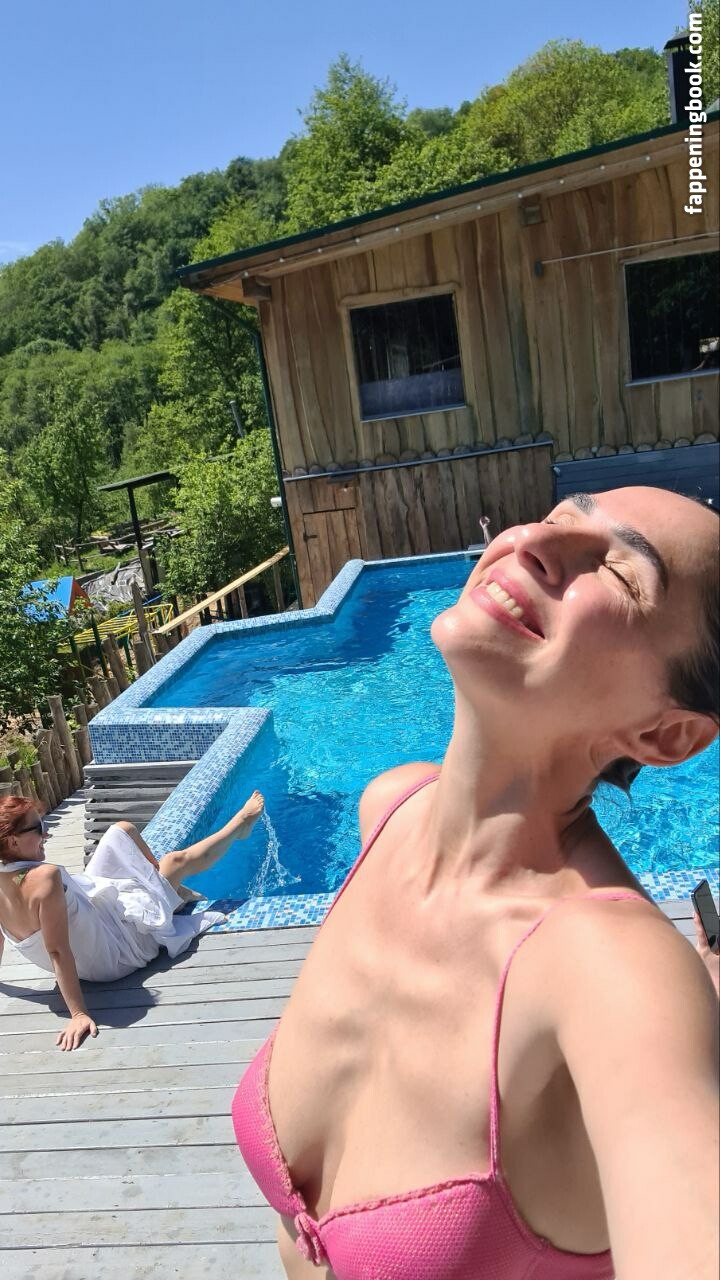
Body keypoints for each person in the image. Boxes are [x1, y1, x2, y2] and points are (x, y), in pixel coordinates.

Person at [232, 486, 719, 1280]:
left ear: (665, 734)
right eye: (560, 518)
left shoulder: (612, 969)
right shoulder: (392, 811)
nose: (535, 542)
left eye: (622, 573)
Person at [0, 790, 264, 1050]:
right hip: (115, 954)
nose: (46, 834)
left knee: (122, 830)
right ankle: (238, 826)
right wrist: (78, 1014)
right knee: (175, 861)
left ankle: (162, 886)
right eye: (39, 828)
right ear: (12, 841)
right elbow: (57, 950)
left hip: (95, 926)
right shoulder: (44, 879)